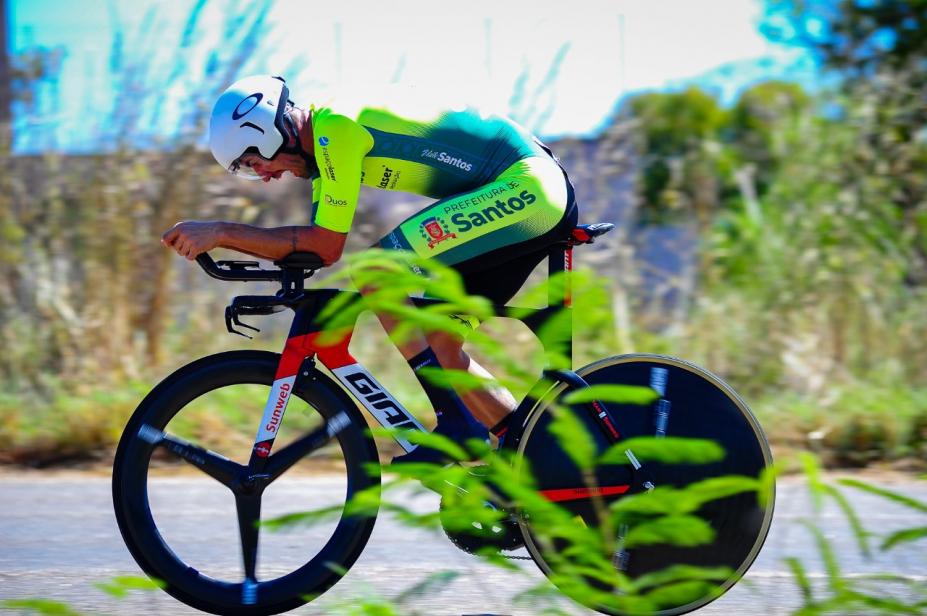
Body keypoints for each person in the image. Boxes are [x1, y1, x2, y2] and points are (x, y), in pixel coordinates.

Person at [162, 75, 578, 464]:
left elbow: (325, 245)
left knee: (377, 271)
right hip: (524, 191)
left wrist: (220, 231)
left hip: (527, 188)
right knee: (441, 341)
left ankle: (458, 427)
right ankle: (526, 459)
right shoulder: (323, 151)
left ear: (266, 135)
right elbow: (318, 247)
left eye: (254, 164)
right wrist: (228, 240)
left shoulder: (334, 129)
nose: (266, 177)